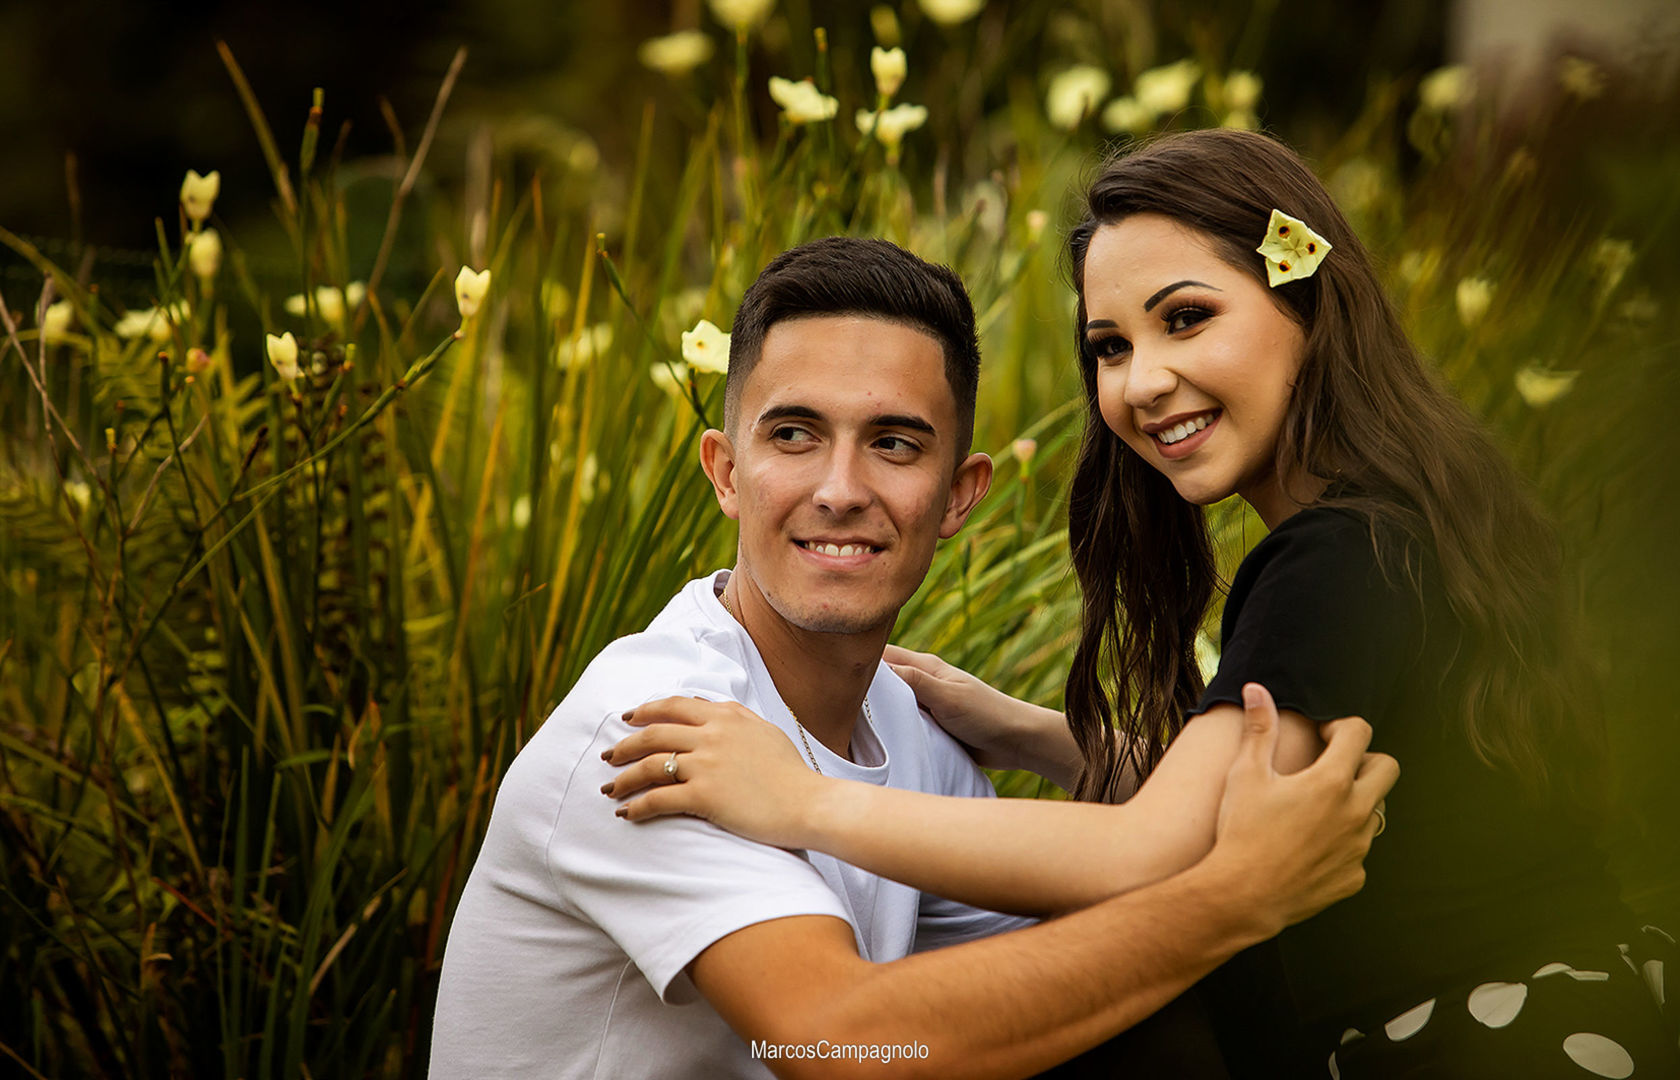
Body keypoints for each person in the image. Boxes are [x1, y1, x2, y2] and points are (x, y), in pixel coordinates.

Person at [606, 133, 1677, 1078]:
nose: (1144, 379)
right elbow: (1244, 793)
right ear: (725, 467)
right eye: (1110, 347)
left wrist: (803, 801)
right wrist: (1036, 734)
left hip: (1490, 1042)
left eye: (1186, 318)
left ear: (1309, 296)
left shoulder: (1334, 559)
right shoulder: (1407, 522)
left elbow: (1150, 854)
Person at [430, 235, 1396, 1080]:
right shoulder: (657, 730)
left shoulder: (905, 728)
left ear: (960, 495)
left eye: (894, 443)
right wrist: (1232, 901)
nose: (841, 490)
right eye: (796, 435)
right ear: (726, 472)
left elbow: (1087, 962)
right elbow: (833, 1042)